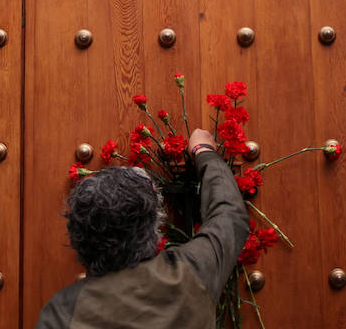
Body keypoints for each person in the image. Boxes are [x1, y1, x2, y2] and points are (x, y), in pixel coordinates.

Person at [34, 128, 249, 328]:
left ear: (77, 235)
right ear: (155, 223)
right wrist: (204, 151)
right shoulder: (191, 273)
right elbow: (229, 214)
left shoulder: (62, 311)